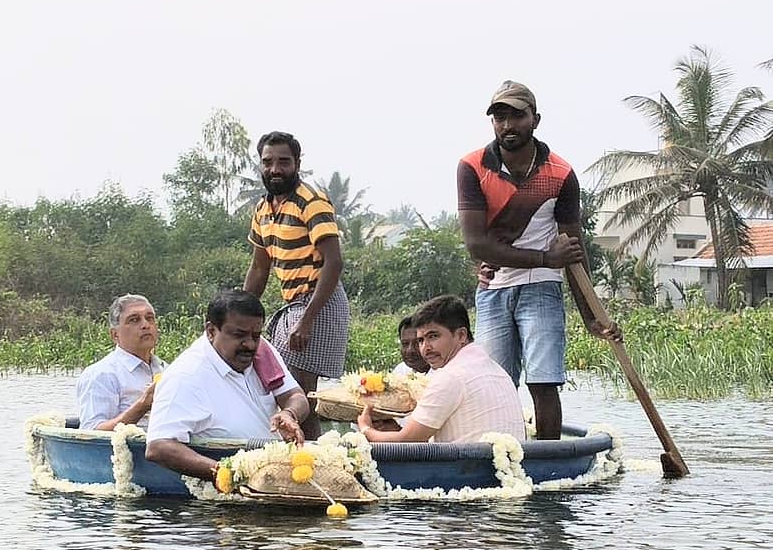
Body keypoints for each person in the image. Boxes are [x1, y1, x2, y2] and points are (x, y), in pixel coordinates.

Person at [457, 80, 622, 440]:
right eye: (500, 117)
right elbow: (476, 246)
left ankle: (547, 459)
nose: (507, 126)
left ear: (535, 119)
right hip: (494, 288)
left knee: (544, 382)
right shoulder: (472, 167)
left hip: (541, 288)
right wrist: (546, 256)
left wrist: (592, 316)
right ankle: (502, 455)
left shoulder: (560, 174)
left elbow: (574, 253)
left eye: (517, 116)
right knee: (494, 385)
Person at [243, 131, 349, 440]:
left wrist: (307, 320)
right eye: (268, 162)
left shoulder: (310, 202)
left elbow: (334, 262)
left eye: (283, 162)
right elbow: (260, 267)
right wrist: (234, 315)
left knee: (299, 394)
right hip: (292, 306)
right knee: (284, 390)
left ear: (297, 164)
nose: (275, 169)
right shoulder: (263, 210)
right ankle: (304, 458)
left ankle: (315, 462)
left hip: (319, 302)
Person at [145, 290, 310, 482]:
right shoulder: (186, 375)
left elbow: (296, 396)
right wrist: (228, 474)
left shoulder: (262, 351)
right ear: (211, 331)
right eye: (239, 335)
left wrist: (289, 414)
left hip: (273, 478)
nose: (249, 344)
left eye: (255, 335)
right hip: (222, 495)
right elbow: (158, 446)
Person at [357, 295, 524, 444]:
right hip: (501, 470)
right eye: (421, 340)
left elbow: (408, 440)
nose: (425, 348)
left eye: (433, 336)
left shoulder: (452, 375)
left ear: (461, 335)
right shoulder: (495, 369)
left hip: (466, 474)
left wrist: (366, 429)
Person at [76, 294, 165, 431]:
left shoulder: (167, 370)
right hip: (122, 451)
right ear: (115, 335)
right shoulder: (101, 374)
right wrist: (142, 405)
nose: (145, 325)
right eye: (134, 320)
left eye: (149, 318)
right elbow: (92, 433)